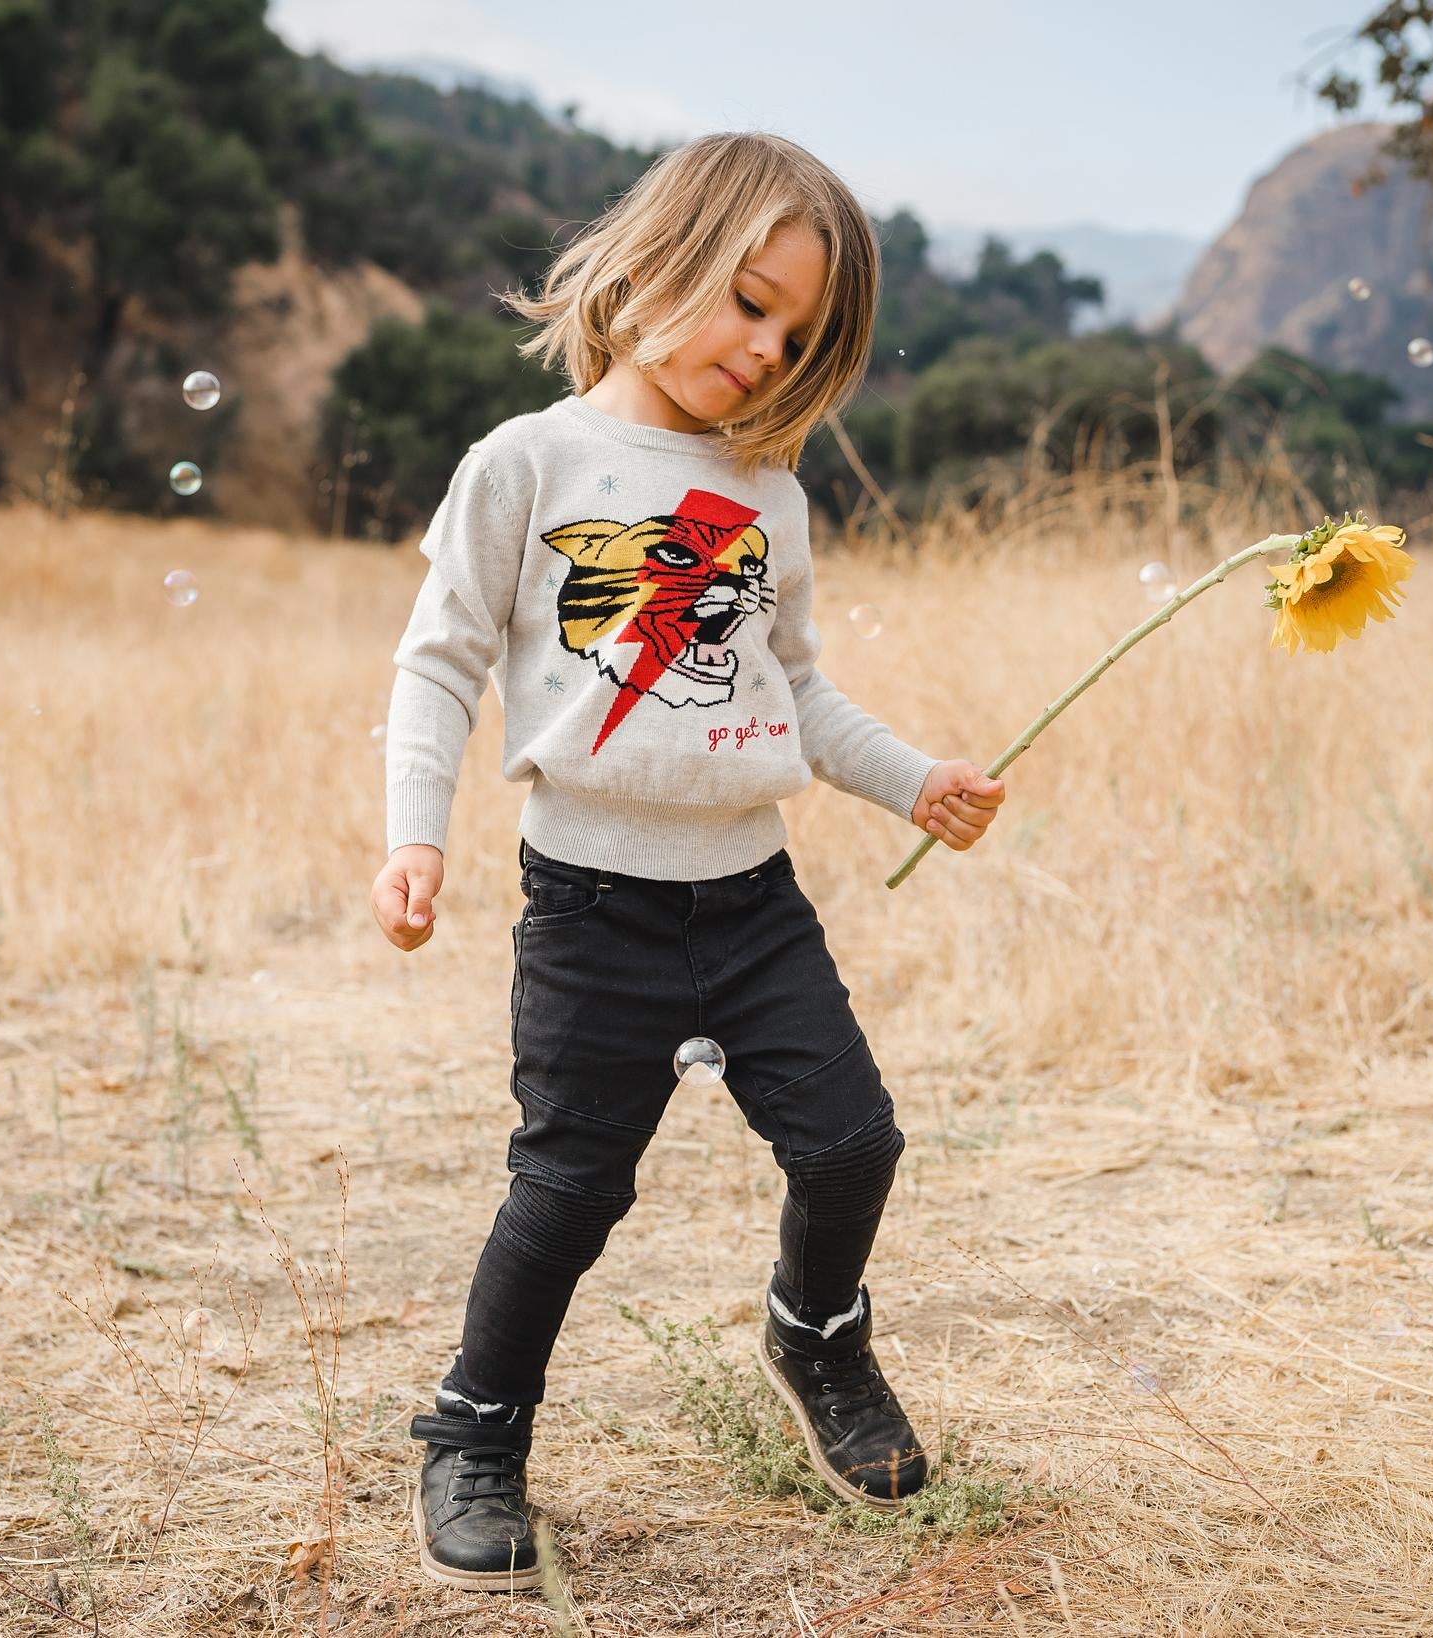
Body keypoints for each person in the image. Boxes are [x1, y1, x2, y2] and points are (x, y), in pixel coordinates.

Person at [372, 131, 1006, 1591]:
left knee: (855, 1143)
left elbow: (801, 688)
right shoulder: (526, 464)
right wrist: (415, 833)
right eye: (745, 300)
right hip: (590, 904)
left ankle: (817, 1335)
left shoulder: (764, 495)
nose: (764, 347)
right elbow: (438, 664)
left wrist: (917, 783)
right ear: (651, 258)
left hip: (752, 898)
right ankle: (473, 1427)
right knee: (572, 1187)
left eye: (798, 334)